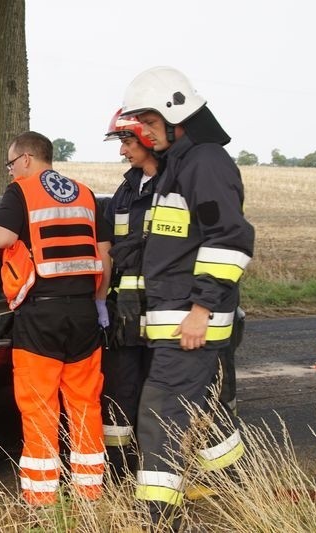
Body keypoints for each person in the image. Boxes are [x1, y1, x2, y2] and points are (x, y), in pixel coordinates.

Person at [118, 66, 255, 529]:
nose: (144, 134)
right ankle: (238, 490)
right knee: (209, 412)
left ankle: (158, 519)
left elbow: (229, 240)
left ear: (178, 115)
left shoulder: (206, 163)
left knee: (160, 412)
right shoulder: (177, 166)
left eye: (150, 124)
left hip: (191, 323)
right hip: (176, 321)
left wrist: (202, 309)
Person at [0, 131, 112, 505]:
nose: (11, 173)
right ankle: (89, 491)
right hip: (85, 313)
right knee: (86, 403)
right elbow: (105, 256)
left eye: (11, 165)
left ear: (25, 159)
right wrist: (99, 302)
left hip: (41, 314)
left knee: (39, 404)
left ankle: (42, 498)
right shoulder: (86, 194)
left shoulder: (21, 191)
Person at [100, 109, 159, 481]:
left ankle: (160, 469)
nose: (122, 150)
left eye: (127, 140)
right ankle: (120, 472)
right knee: (120, 394)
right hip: (124, 318)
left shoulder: (175, 187)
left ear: (148, 138)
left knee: (162, 399)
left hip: (163, 316)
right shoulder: (125, 190)